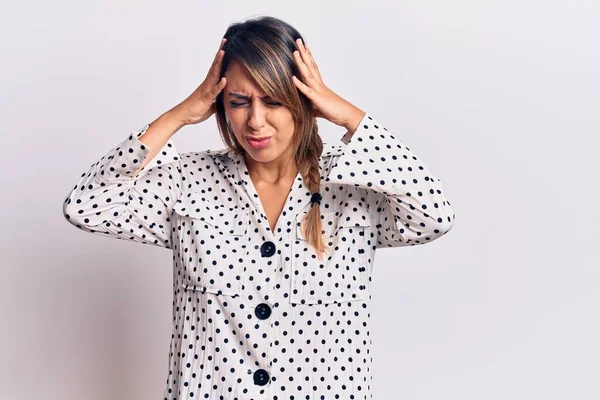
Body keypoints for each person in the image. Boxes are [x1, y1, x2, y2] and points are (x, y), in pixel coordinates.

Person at [63, 15, 455, 400]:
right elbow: (86, 204)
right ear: (219, 105)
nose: (255, 121)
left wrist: (349, 115)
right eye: (238, 102)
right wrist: (180, 113)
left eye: (273, 101)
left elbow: (435, 215)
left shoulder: (353, 185)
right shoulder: (189, 181)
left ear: (304, 101)